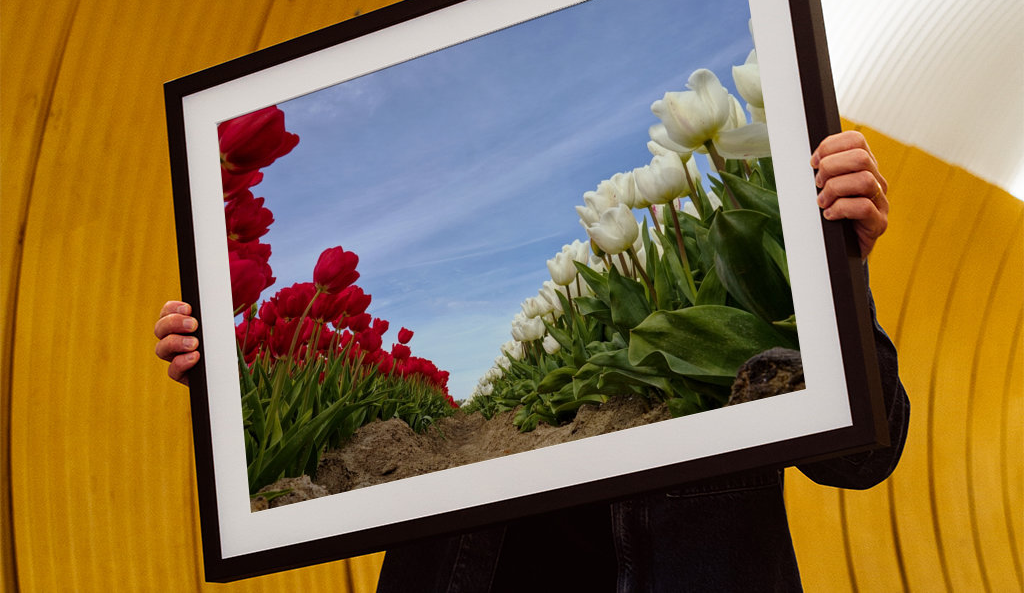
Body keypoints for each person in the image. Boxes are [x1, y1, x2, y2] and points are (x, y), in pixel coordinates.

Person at [155, 131, 908, 592]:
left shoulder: (753, 288)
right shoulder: (606, 340)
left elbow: (865, 458)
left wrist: (837, 268)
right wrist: (230, 375)